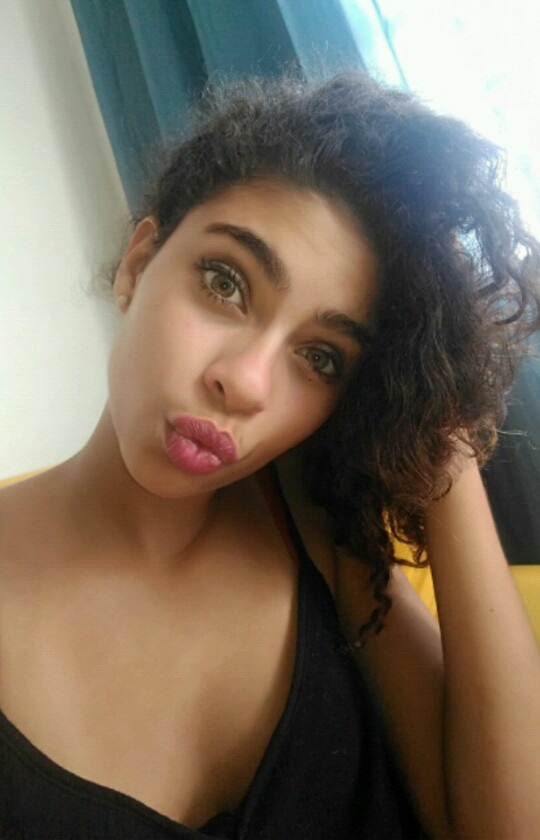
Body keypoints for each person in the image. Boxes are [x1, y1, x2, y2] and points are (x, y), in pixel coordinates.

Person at [0, 70, 539, 840]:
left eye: (320, 358)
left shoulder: (314, 531)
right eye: (225, 284)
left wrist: (442, 429)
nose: (246, 383)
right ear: (138, 263)